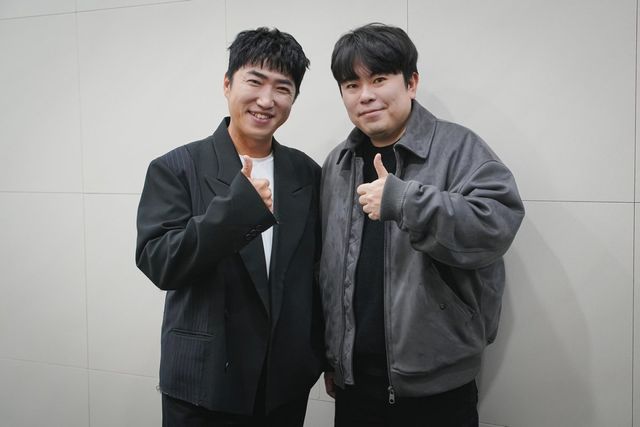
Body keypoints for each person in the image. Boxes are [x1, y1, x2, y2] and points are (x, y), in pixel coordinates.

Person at [319, 23, 525, 426]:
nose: (365, 95)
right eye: (351, 85)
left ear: (411, 82)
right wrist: (332, 357)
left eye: (379, 79)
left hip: (438, 388)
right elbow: (325, 270)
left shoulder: (459, 148)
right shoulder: (338, 163)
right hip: (354, 384)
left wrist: (404, 201)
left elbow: (496, 224)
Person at [136, 27, 324, 427]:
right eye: (255, 81)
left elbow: (316, 273)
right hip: (204, 384)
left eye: (282, 88)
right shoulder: (176, 167)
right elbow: (160, 263)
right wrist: (237, 211)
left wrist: (318, 356)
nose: (266, 100)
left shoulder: (306, 173)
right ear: (227, 84)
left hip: (283, 386)